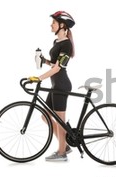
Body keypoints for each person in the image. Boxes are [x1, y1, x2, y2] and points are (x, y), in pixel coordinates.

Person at [37, 11, 76, 161]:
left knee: (60, 121)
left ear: (62, 25)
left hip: (61, 85)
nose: (51, 25)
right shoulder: (57, 43)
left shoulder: (67, 44)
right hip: (55, 85)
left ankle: (62, 153)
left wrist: (39, 78)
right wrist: (44, 61)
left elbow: (58, 69)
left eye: (53, 22)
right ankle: (64, 144)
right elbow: (54, 65)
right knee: (44, 116)